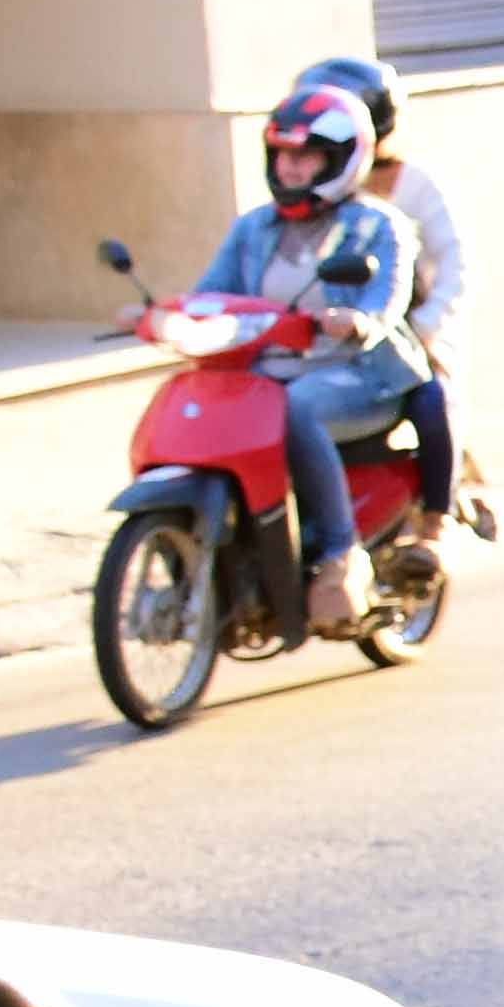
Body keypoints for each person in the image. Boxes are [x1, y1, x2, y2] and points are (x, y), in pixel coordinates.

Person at [191, 76, 428, 638]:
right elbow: (215, 289)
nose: (293, 169)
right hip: (268, 371)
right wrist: (166, 314)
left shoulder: (379, 225)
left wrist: (359, 320)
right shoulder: (253, 227)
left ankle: (339, 552)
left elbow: (387, 297)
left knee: (293, 409)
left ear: (343, 160)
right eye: (284, 156)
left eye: (308, 157)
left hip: (356, 372)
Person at [293, 54, 470, 540]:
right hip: (325, 338)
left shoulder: (411, 189)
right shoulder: (307, 188)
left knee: (434, 399)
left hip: (406, 330)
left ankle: (437, 520)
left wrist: (429, 328)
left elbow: (455, 263)